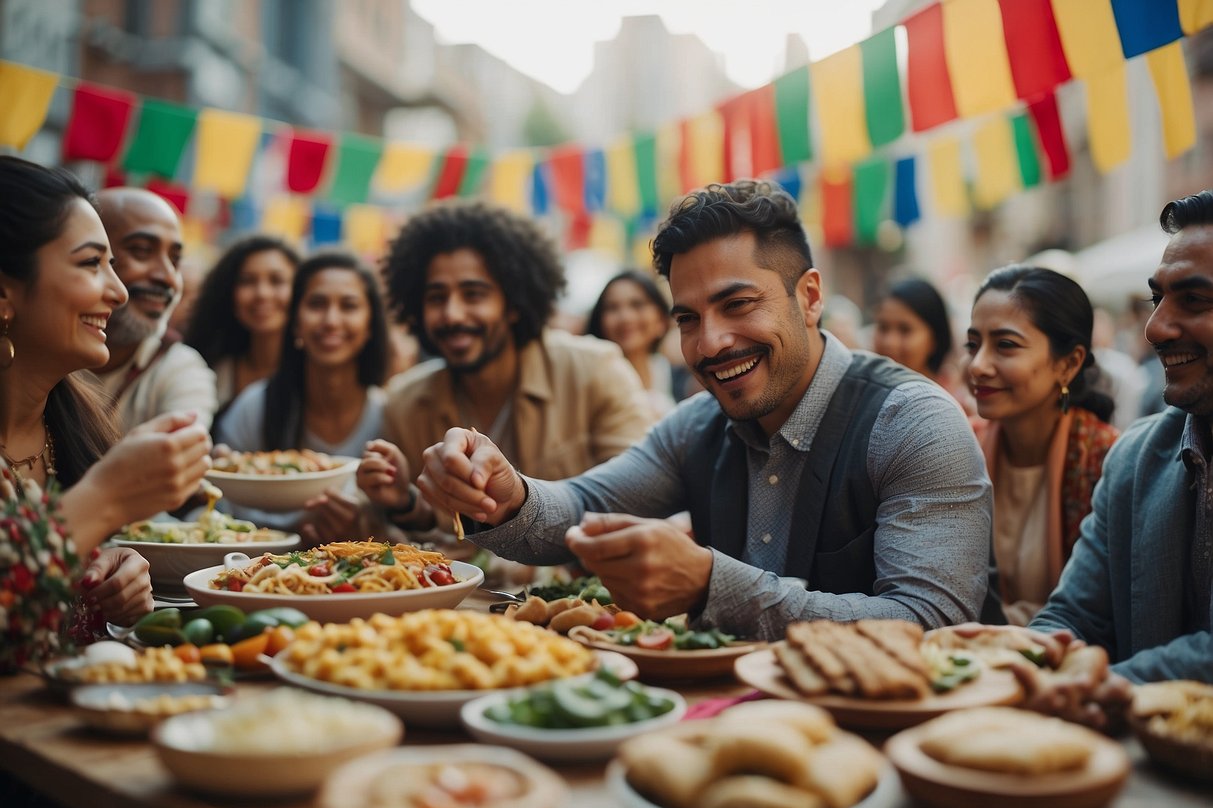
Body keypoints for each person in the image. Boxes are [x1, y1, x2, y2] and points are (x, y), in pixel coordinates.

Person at [411, 180, 998, 639]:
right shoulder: (700, 424)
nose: (710, 343)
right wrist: (506, 491)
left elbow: (932, 626)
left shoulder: (916, 423)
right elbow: (582, 508)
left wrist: (710, 586)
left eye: (737, 303)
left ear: (810, 297)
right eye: (688, 318)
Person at [0, 156, 212, 672]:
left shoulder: (74, 422)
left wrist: (116, 574)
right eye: (92, 263)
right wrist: (104, 498)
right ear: (5, 293)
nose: (117, 292)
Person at [357, 200, 651, 547]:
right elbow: (418, 544)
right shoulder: (404, 402)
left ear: (513, 303)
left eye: (473, 294)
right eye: (437, 297)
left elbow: (640, 501)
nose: (452, 314)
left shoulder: (595, 370)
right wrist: (406, 504)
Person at [1025, 190, 1213, 685]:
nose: (1155, 328)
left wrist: (1100, 687)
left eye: (1192, 299)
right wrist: (1018, 660)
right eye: (1157, 300)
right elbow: (1075, 616)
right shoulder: (1135, 457)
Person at [962, 266, 1119, 626]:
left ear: (1069, 363)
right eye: (973, 345)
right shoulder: (961, 446)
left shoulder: (1107, 459)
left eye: (1005, 345)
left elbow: (1106, 611)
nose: (978, 365)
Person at [214, 250, 389, 546]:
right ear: (295, 322)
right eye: (317, 304)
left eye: (348, 306)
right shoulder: (254, 407)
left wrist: (363, 528)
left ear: (370, 325)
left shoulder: (390, 415)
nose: (331, 320)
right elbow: (219, 511)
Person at [88, 188, 218, 432]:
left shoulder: (181, 369)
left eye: (175, 259)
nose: (168, 276)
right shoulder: (40, 354)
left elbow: (175, 457)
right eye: (141, 251)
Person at [183, 234, 300, 410]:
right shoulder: (205, 370)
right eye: (247, 281)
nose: (262, 293)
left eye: (277, 281)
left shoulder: (317, 373)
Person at [587, 270, 679, 421]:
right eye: (612, 307)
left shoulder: (675, 376)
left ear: (661, 320)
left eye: (637, 305)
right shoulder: (588, 385)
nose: (625, 317)